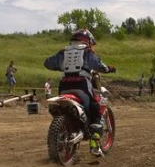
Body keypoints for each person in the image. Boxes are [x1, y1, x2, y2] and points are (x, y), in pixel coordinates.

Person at [43, 28, 115, 156]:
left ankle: (69, 130)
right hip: (81, 84)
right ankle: (94, 145)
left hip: (64, 85)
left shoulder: (63, 52)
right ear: (87, 40)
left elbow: (47, 63)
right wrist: (109, 69)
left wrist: (62, 66)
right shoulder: (87, 51)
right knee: (95, 108)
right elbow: (99, 65)